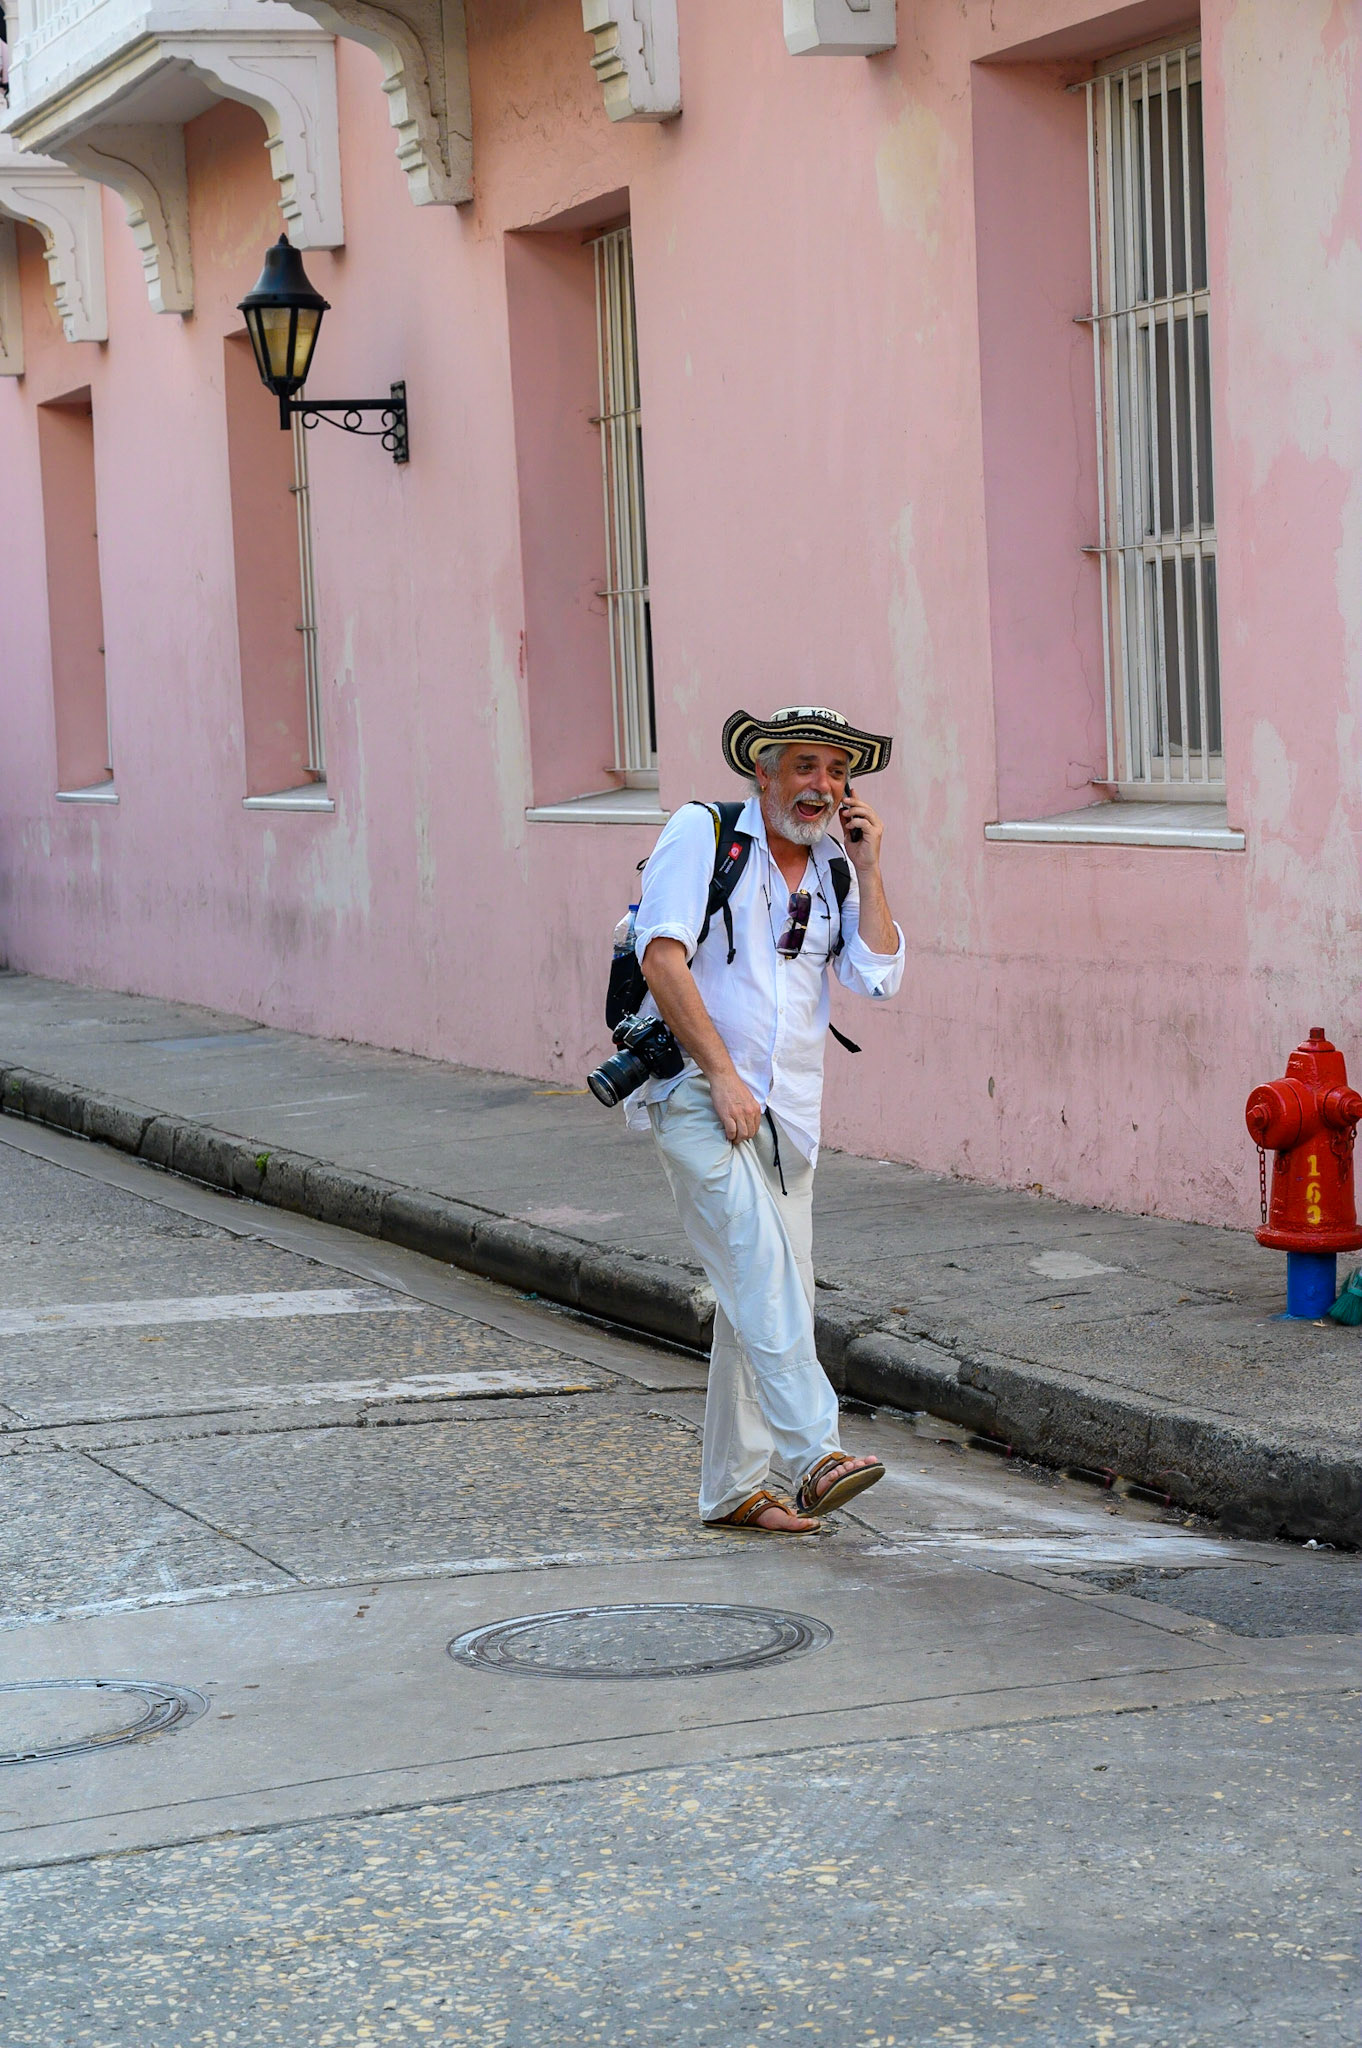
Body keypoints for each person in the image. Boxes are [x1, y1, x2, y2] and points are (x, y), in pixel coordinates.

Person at [627, 705, 905, 1534]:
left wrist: (870, 864)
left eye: (837, 773)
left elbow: (879, 975)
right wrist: (719, 1074)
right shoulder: (704, 834)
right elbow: (660, 951)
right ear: (764, 773)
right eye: (806, 768)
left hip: (790, 1117)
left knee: (767, 1293)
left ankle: (734, 1489)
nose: (822, 787)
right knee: (760, 1270)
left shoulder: (833, 870)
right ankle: (814, 1453)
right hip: (694, 1091)